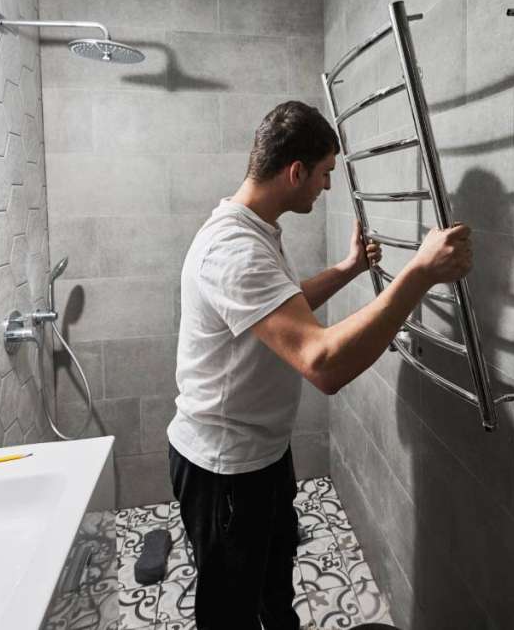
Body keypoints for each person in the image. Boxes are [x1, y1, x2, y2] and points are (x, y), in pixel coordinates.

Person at [166, 100, 473, 629]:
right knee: (229, 615)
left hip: (258, 456)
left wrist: (349, 268)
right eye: (325, 174)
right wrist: (419, 273)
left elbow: (279, 306)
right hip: (225, 470)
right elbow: (322, 363)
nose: (327, 187)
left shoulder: (253, 231)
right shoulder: (233, 249)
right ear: (295, 171)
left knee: (274, 595)